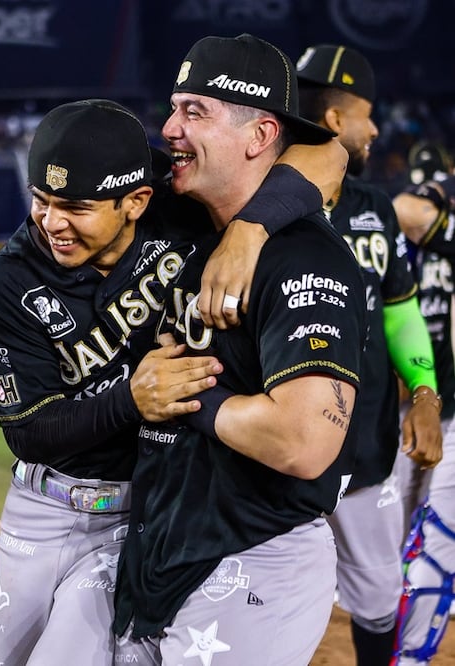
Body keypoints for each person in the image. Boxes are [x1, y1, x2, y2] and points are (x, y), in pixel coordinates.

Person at [0, 94, 347, 664]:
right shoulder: (10, 280)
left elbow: (327, 152)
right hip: (44, 509)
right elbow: (28, 432)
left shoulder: (180, 203)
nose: (52, 223)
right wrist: (132, 399)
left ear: (136, 200)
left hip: (144, 513)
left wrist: (249, 230)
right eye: (41, 201)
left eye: (75, 206)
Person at [111, 33, 369, 665]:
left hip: (254, 559)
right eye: (173, 108)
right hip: (162, 554)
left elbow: (305, 442)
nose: (169, 128)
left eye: (194, 111)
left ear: (258, 138)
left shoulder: (306, 256)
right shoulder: (185, 213)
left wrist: (185, 396)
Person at [293, 43, 443, 665]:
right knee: (262, 600)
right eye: (366, 114)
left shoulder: (375, 209)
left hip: (367, 458)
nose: (376, 128)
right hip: (277, 466)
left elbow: (401, 309)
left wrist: (426, 392)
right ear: (334, 122)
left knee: (379, 602)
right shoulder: (257, 209)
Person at [392, 144, 455, 662]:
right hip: (412, 393)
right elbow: (403, 211)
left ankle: (411, 652)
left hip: (447, 399)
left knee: (438, 525)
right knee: (400, 512)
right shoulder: (413, 233)